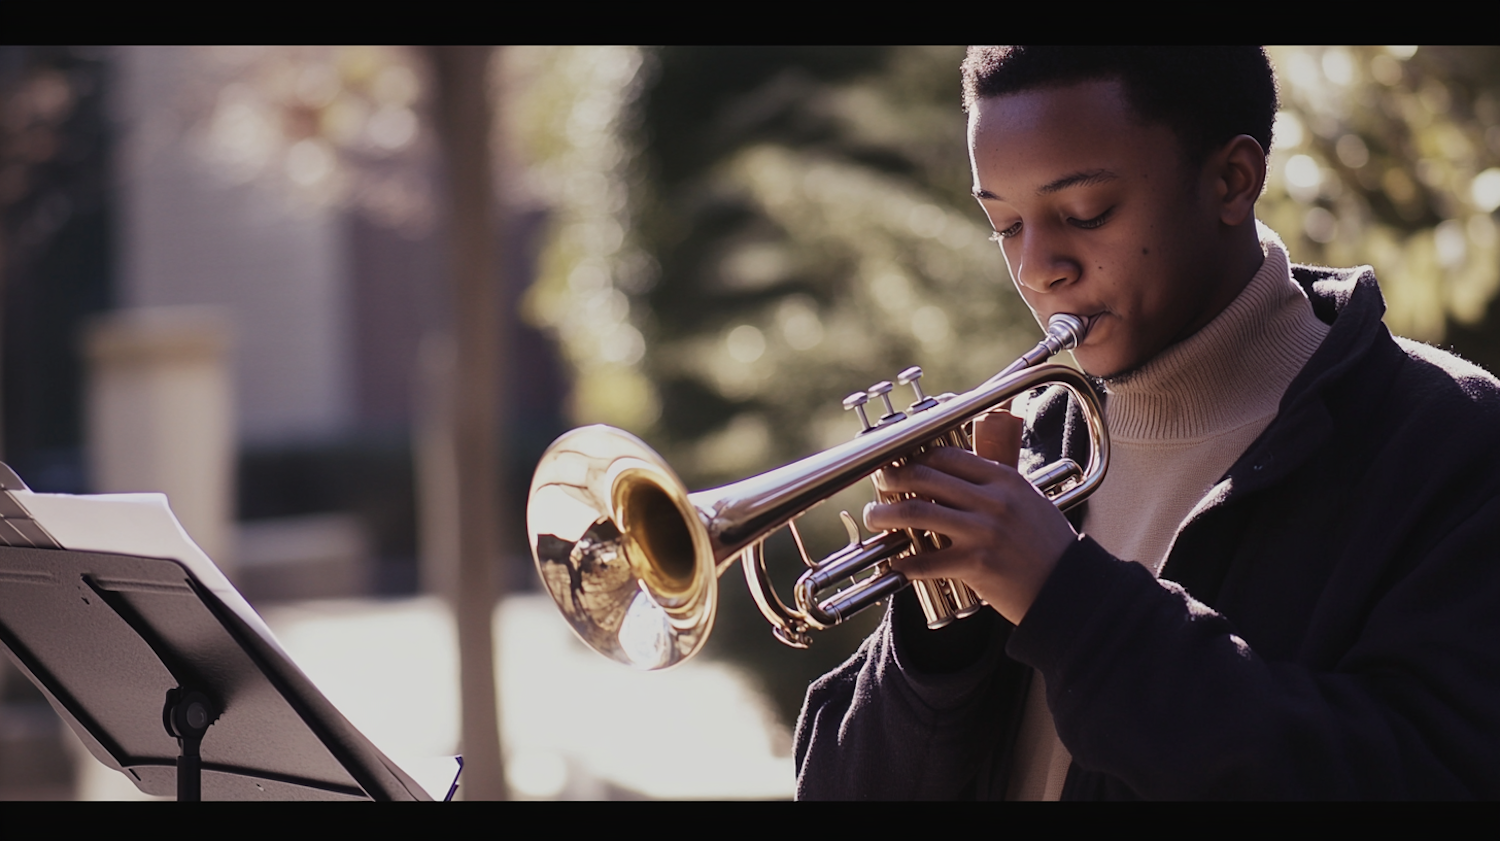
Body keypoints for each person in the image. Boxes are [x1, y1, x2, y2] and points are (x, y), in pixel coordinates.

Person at [794, 46, 1500, 800]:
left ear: (1232, 180)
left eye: (1085, 212)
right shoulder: (1033, 443)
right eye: (1004, 224)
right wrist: (942, 638)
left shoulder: (1452, 442)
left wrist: (1063, 598)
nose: (1037, 268)